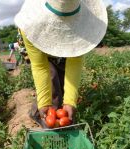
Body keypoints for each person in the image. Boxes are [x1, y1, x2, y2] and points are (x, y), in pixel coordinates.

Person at [14, 0, 108, 128]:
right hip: (34, 44)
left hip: (65, 46)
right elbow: (40, 66)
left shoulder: (80, 28)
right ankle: (41, 115)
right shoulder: (30, 25)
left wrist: (70, 102)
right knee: (52, 80)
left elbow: (74, 63)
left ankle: (55, 114)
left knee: (63, 79)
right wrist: (44, 102)